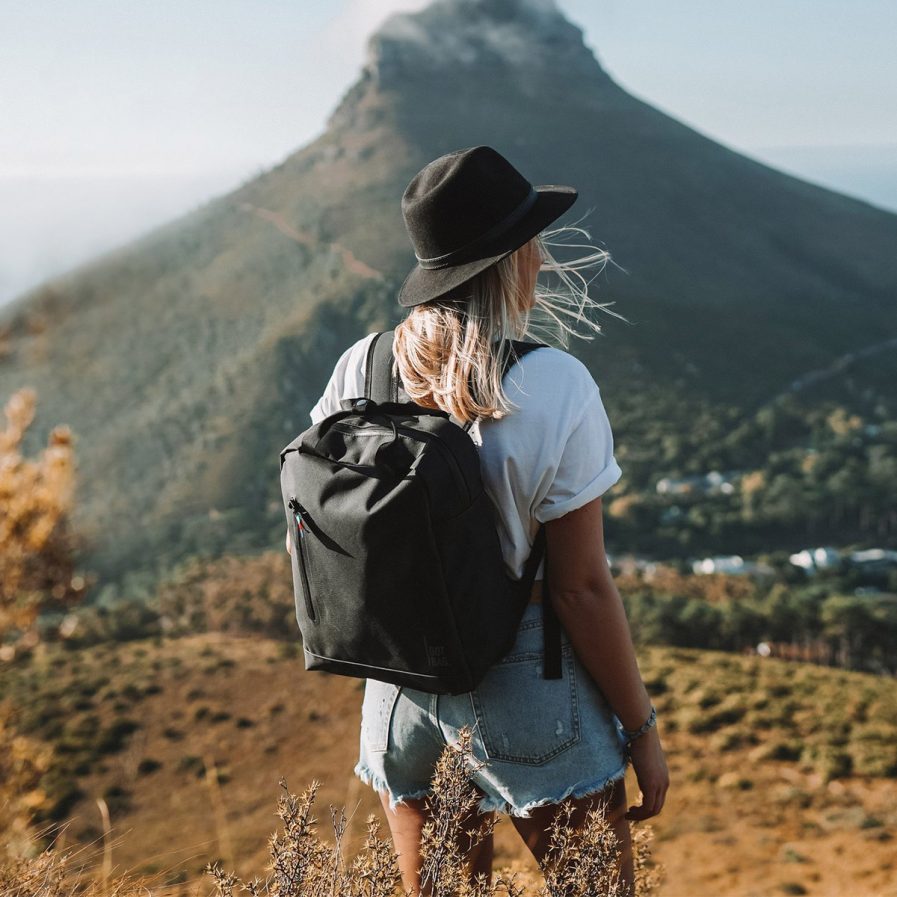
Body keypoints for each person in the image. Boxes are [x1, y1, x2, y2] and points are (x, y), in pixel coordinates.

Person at [293, 146, 669, 895]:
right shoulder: (552, 382)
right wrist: (640, 731)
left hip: (397, 685)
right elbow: (580, 590)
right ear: (513, 258)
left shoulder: (358, 367)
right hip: (526, 681)